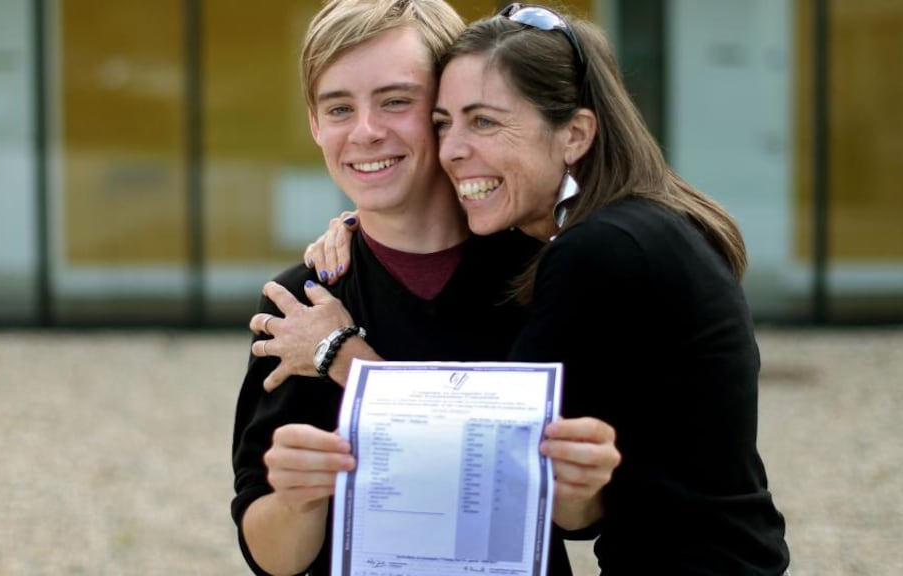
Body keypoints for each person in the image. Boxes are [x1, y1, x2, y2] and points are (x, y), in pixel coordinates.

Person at [256, 3, 790, 574]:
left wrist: (339, 353)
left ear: (575, 134)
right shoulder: (633, 228)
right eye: (445, 123)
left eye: (484, 121)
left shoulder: (595, 252)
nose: (455, 147)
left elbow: (502, 456)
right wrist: (359, 224)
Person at [230, 1, 620, 575]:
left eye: (396, 101)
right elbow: (271, 558)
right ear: (314, 124)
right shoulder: (303, 303)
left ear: (446, 107)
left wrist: (583, 481)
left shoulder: (545, 274)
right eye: (339, 107)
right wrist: (297, 499)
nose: (366, 131)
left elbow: (579, 519)